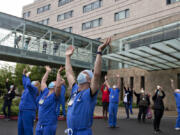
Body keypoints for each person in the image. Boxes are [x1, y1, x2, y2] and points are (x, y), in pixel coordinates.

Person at [65, 38, 111, 135]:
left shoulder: (90, 93)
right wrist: (67, 57)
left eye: (84, 73)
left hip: (82, 132)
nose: (81, 73)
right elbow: (69, 73)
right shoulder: (74, 90)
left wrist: (99, 51)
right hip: (70, 132)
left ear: (90, 79)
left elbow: (97, 74)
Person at [36, 66, 64, 135]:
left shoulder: (55, 95)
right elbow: (43, 81)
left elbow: (58, 86)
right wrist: (47, 71)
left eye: (55, 81)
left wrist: (58, 73)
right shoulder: (45, 92)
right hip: (40, 124)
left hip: (49, 125)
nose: (53, 81)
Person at [18, 69, 40, 135]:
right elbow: (25, 82)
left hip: (28, 111)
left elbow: (27, 84)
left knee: (28, 130)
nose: (33, 82)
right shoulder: (28, 89)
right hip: (22, 110)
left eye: (34, 82)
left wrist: (27, 76)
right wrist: (24, 74)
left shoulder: (35, 90)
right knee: (20, 129)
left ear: (36, 85)